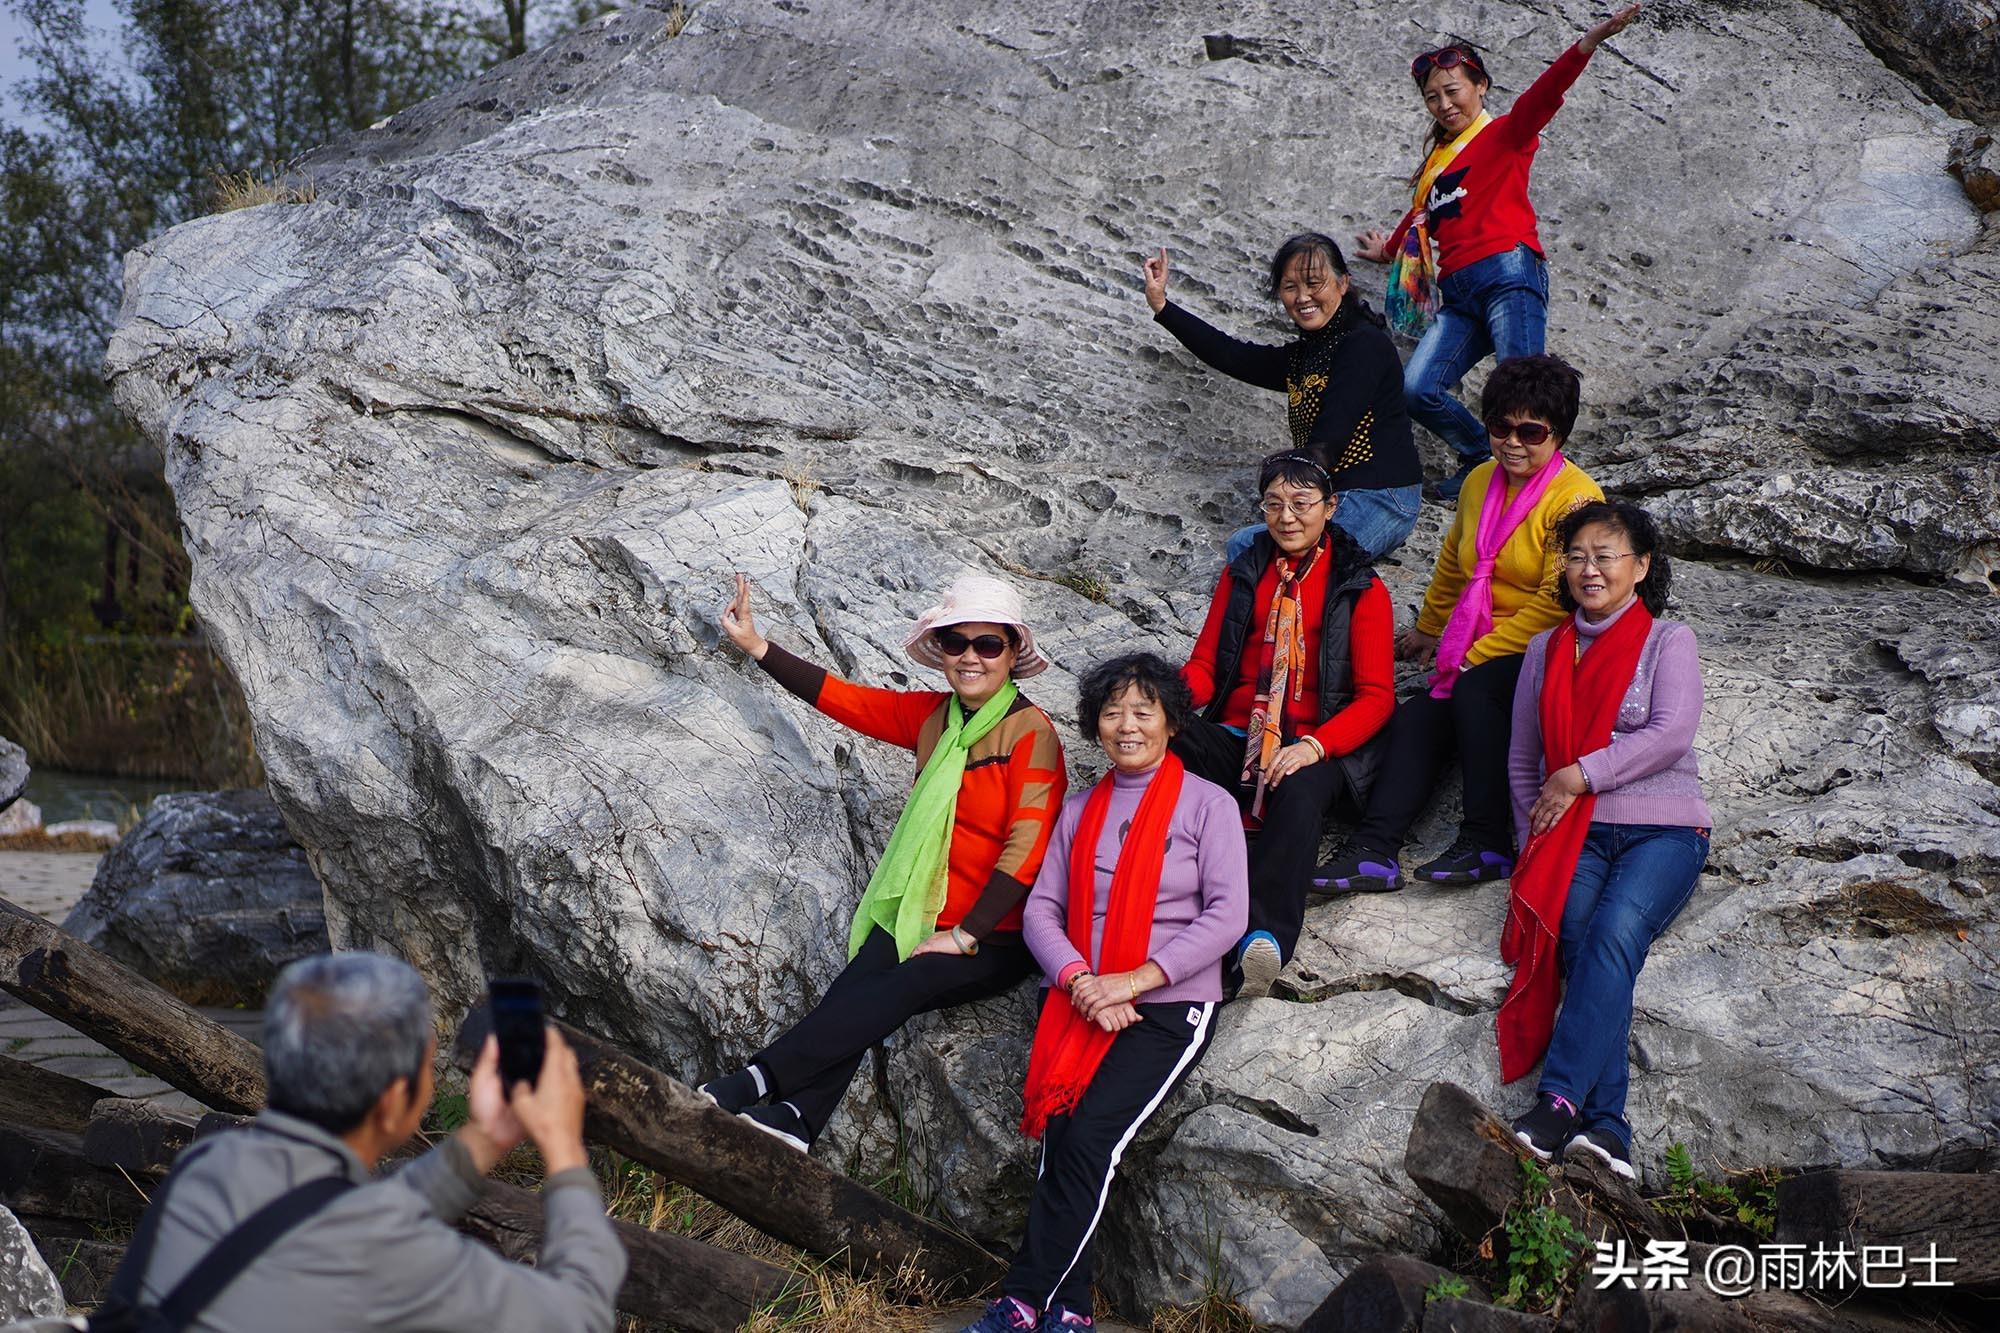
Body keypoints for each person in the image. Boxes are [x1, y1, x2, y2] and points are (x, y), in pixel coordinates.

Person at [702, 572, 1066, 1151]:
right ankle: (799, 1120)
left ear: (1012, 653)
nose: (970, 658)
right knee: (858, 985)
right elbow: (849, 702)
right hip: (922, 909)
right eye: (955, 643)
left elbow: (1029, 848)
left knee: (906, 980)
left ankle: (757, 1079)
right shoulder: (934, 719)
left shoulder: (1033, 734)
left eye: (988, 644)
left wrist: (967, 935)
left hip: (995, 937)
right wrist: (756, 645)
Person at [110, 952, 623, 1333]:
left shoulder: (209, 1161)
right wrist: (563, 1148)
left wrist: (486, 1140)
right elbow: (582, 1316)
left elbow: (349, 1220)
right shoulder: (394, 1257)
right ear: (393, 1100)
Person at [964, 653, 1247, 1333]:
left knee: (1092, 1139)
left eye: (1143, 710)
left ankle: (1024, 1298)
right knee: (1061, 1137)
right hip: (1080, 997)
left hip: (1170, 1004)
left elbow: (1228, 913)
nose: (1127, 724)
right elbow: (1042, 910)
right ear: (1095, 724)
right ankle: (1068, 1308)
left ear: (1171, 721)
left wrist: (1138, 978)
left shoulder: (1210, 804)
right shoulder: (1081, 807)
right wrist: (1084, 981)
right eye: (1113, 711)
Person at [1317, 353, 1602, 893]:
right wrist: (1428, 629)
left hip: (1548, 645)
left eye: (1530, 431)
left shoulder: (1577, 499)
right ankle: (1373, 851)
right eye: (1499, 427)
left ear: (1558, 434)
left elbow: (1558, 600)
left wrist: (1478, 652)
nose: (1512, 442)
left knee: (1474, 693)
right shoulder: (1478, 481)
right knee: (1418, 717)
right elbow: (1454, 561)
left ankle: (1488, 840)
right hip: (1479, 644)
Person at [1353, 5, 1643, 500]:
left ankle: (1541, 491)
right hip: (1459, 295)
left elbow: (1545, 94)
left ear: (1480, 86)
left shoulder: (1504, 134)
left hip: (1509, 273)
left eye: (1453, 91)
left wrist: (1588, 43)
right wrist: (1386, 252)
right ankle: (1480, 459)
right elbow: (1421, 220)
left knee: (1524, 394)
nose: (1444, 105)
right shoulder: (1437, 168)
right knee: (1415, 389)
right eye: (1432, 98)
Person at [1500, 502, 1711, 1180]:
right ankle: (1609, 1128)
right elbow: (1522, 760)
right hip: (1576, 836)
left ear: (1641, 566)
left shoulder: (1667, 640)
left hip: (1665, 830)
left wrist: (1583, 773)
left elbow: (1671, 733)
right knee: (1576, 936)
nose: (1589, 568)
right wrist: (1529, 838)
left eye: (1607, 554)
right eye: (1577, 555)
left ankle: (1559, 1099)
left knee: (1616, 931)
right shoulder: (1544, 648)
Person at [1174, 451, 1396, 997]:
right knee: (1161, 741)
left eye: (1302, 503)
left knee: (1297, 789)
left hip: (1317, 743)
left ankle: (1263, 938)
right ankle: (1162, 902)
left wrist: (1317, 745)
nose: (1287, 517)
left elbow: (1376, 699)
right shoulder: (1244, 572)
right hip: (1237, 734)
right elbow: (1207, 665)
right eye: (1274, 503)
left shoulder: (1361, 588)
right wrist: (1164, 702)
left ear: (1331, 508)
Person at [1143, 234, 1422, 560]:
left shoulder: (1364, 344)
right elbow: (1231, 355)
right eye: (1290, 287)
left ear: (1343, 283)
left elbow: (1331, 436)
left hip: (1382, 496)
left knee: (1274, 556)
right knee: (1246, 548)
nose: (1302, 297)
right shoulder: (1304, 355)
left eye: (1314, 283)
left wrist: (1286, 489)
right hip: (1332, 497)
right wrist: (1162, 305)